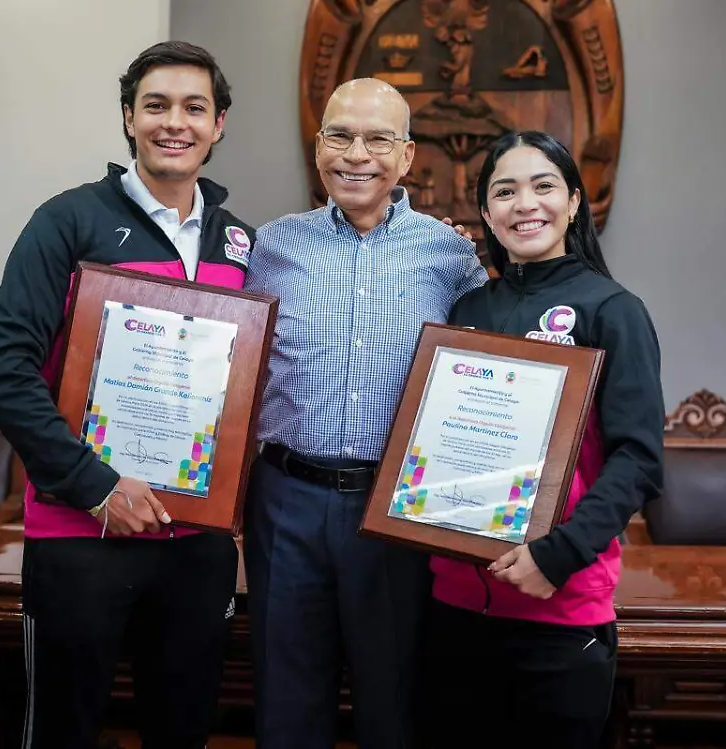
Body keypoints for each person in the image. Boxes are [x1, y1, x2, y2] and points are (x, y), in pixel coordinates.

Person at [0, 41, 251, 749]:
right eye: (156, 105)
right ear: (129, 118)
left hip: (197, 544)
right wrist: (95, 486)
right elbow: (2, 369)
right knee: (62, 731)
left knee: (183, 730)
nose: (174, 123)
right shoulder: (67, 221)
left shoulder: (241, 242)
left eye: (194, 107)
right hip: (81, 534)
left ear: (218, 124)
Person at [241, 77, 489, 749]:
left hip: (395, 509)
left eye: (378, 139)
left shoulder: (452, 255)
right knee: (287, 704)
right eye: (341, 136)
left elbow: (484, 368)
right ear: (317, 147)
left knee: (394, 704)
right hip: (286, 498)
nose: (357, 155)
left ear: (407, 156)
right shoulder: (270, 247)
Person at [421, 130, 665, 748]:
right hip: (455, 604)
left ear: (574, 201)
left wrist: (556, 557)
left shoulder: (614, 309)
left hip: (559, 604)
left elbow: (638, 461)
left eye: (544, 186)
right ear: (486, 213)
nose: (525, 204)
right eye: (505, 192)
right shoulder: (467, 310)